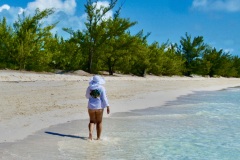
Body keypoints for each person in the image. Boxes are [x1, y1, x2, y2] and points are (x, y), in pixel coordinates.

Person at [85, 75, 110, 140]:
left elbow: (87, 96)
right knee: (99, 122)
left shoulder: (89, 87)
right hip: (99, 107)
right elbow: (104, 98)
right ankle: (98, 138)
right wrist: (107, 106)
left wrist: (92, 96)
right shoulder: (101, 88)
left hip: (91, 106)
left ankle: (90, 133)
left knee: (92, 121)